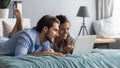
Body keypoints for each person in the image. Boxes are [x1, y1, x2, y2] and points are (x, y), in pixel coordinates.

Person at [0, 9, 65, 57]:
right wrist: (44, 53)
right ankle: (19, 22)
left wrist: (51, 52)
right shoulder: (27, 36)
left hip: (9, 41)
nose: (57, 34)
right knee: (21, 36)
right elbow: (19, 58)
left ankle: (19, 22)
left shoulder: (46, 40)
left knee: (12, 37)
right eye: (55, 30)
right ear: (45, 29)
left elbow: (46, 53)